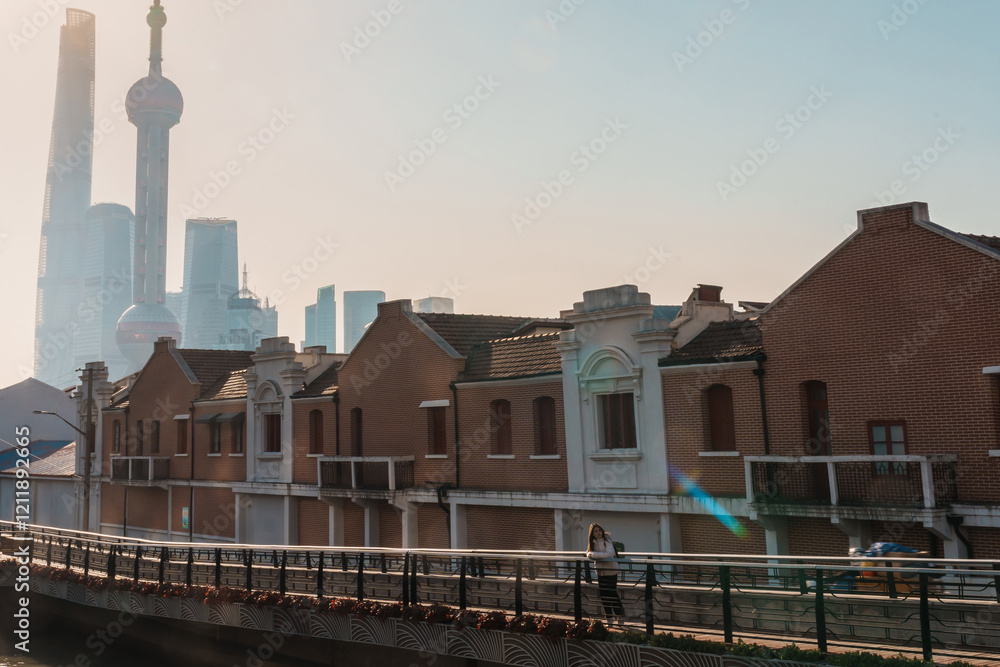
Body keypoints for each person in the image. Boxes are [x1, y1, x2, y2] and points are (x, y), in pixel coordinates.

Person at [586, 523, 624, 625]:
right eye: (596, 531)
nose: (598, 533)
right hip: (600, 572)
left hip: (611, 570)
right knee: (604, 595)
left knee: (612, 593)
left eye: (599, 530)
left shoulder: (607, 540)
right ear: (592, 534)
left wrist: (594, 555)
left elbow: (609, 554)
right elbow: (588, 553)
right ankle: (609, 618)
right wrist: (592, 554)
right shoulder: (592, 542)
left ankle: (619, 615)